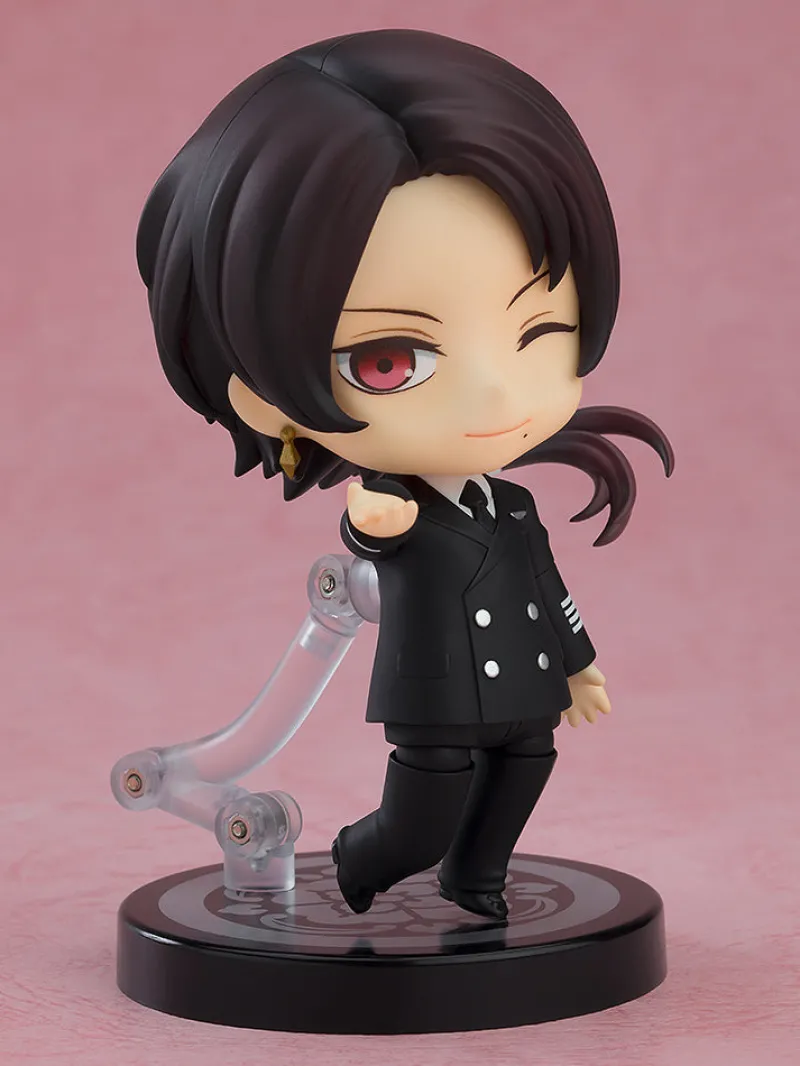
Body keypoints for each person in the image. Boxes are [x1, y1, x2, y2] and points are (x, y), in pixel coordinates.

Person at [136, 29, 673, 921]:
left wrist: (579, 664)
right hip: (439, 694)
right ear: (258, 392)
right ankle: (362, 861)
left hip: (524, 682)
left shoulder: (512, 505)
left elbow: (550, 589)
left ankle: (476, 879)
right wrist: (370, 520)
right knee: (421, 816)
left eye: (540, 332)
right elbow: (372, 526)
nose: (495, 394)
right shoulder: (393, 504)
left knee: (526, 767)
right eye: (392, 360)